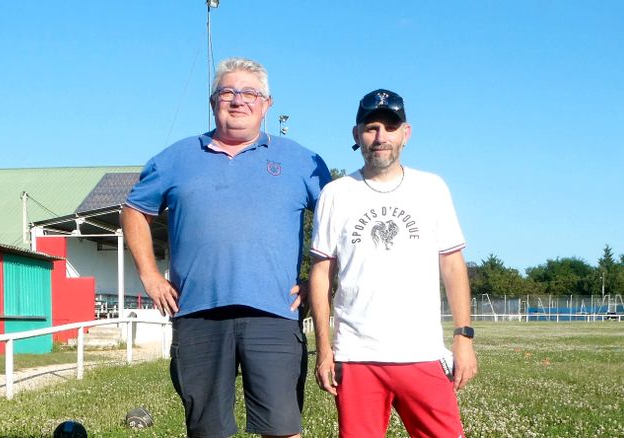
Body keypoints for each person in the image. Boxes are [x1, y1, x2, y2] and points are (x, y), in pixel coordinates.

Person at [122, 57, 331, 438]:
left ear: (267, 104)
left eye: (250, 93)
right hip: (198, 313)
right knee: (208, 431)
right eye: (227, 92)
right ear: (213, 101)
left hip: (274, 314)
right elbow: (135, 210)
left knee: (283, 428)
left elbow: (338, 222)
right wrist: (150, 276)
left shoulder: (303, 161)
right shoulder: (175, 158)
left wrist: (319, 279)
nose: (238, 100)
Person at [309, 89, 478, 437]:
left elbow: (452, 265)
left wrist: (464, 338)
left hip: (422, 352)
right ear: (357, 135)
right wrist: (324, 350)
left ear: (406, 133)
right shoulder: (336, 194)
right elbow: (322, 273)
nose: (380, 137)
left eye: (390, 127)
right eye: (371, 128)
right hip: (357, 356)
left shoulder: (431, 188)